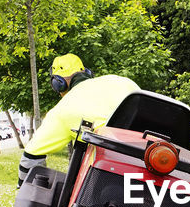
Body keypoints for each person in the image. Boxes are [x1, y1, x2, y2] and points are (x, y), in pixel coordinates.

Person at [17, 53, 139, 185]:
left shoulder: (62, 110)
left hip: (107, 183)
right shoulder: (122, 81)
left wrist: (23, 187)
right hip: (151, 166)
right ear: (86, 72)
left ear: (59, 83)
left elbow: (31, 155)